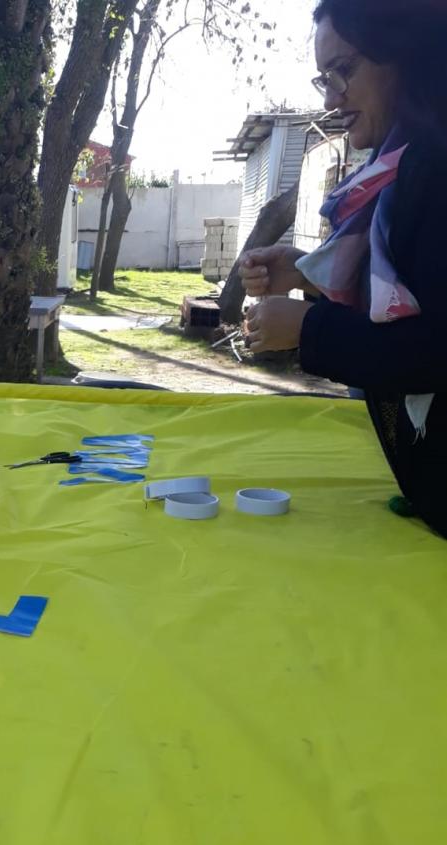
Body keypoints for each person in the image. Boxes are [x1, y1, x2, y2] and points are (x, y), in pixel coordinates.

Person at [238, 0, 447, 537]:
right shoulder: (400, 160)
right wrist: (307, 273)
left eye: (344, 70)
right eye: (323, 78)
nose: (331, 98)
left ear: (403, 53)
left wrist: (307, 329)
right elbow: (413, 282)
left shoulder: (435, 163)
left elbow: (432, 348)